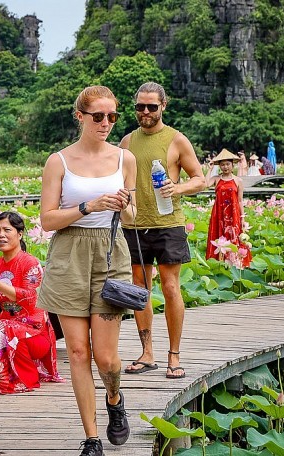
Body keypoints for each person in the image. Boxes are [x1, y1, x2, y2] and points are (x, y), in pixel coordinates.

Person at [37, 85, 136, 454]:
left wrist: (123, 203)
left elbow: (133, 215)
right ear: (80, 116)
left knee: (106, 358)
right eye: (98, 116)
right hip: (69, 254)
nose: (106, 123)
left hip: (111, 254)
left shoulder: (125, 159)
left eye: (112, 116)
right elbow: (47, 219)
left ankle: (114, 398)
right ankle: (91, 437)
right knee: (78, 352)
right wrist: (88, 206)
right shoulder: (58, 161)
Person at [119, 82, 205, 380]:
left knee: (170, 287)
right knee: (139, 289)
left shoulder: (177, 140)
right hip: (134, 224)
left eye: (151, 107)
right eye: (140, 107)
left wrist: (176, 187)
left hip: (168, 223)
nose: (145, 112)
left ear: (163, 106)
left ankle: (174, 354)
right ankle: (147, 353)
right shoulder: (127, 141)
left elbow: (200, 180)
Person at [0, 211, 63, 394]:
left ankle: (18, 378)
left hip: (34, 333)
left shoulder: (30, 263)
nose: (1, 235)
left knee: (4, 327)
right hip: (3, 330)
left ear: (20, 233)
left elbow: (31, 300)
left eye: (7, 230)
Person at [205, 149, 251, 268]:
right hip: (218, 214)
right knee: (218, 237)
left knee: (234, 236)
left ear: (232, 164)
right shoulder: (216, 179)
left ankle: (235, 263)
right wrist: (210, 169)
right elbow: (205, 184)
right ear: (219, 166)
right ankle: (219, 264)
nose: (225, 167)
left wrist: (242, 218)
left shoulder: (238, 181)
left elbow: (240, 201)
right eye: (222, 164)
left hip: (233, 214)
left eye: (227, 164)